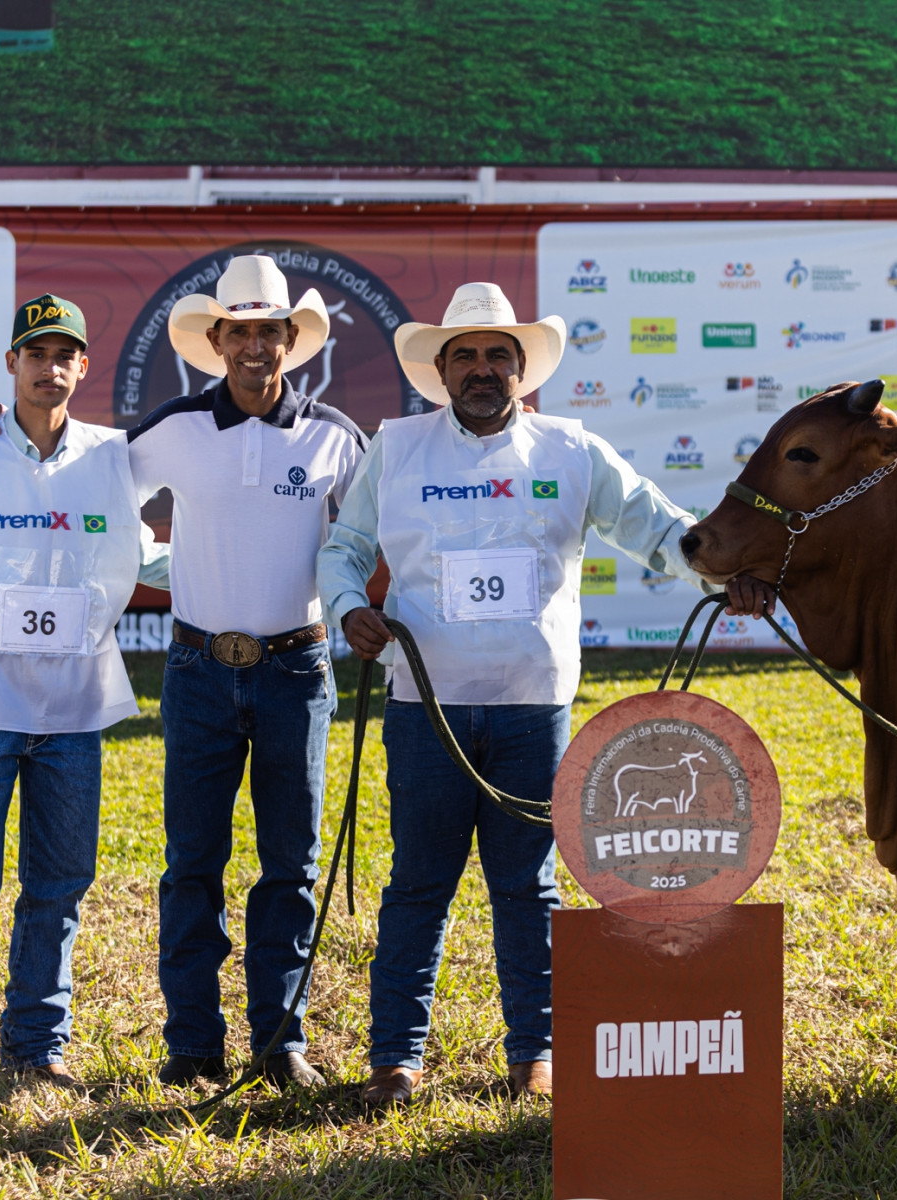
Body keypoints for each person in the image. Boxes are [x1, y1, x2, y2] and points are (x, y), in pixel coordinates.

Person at [317, 283, 775, 1106]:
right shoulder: (397, 446)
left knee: (527, 886)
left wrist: (726, 572)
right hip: (428, 707)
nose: (483, 369)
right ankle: (396, 1057)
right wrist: (350, 608)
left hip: (535, 708)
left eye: (499, 356)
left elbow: (659, 527)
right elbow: (344, 548)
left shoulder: (572, 449)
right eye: (467, 355)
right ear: (441, 369)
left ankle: (535, 1051)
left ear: (523, 371)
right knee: (420, 882)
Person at [0, 255, 366, 1089]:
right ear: (215, 341)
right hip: (199, 670)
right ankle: (191, 1043)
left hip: (298, 668)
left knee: (290, 863)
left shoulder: (337, 436)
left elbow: (377, 531)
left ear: (294, 341)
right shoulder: (173, 426)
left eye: (270, 332)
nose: (256, 347)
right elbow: (69, 469)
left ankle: (279, 1039)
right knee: (192, 863)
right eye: (240, 332)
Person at [0, 295, 171, 1107]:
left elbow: (147, 560)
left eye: (65, 355)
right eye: (34, 353)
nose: (50, 367)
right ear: (11, 365)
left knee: (58, 886)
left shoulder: (110, 458)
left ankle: (36, 1046)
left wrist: (247, 568)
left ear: (84, 368)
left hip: (73, 711)